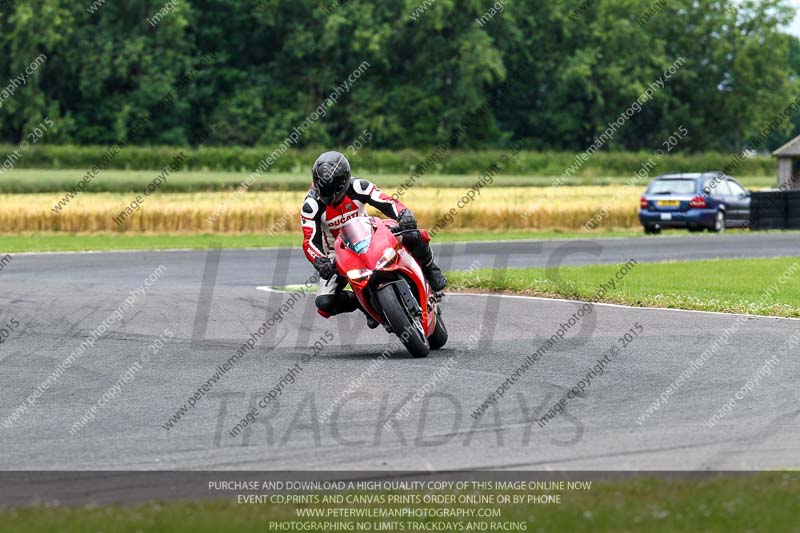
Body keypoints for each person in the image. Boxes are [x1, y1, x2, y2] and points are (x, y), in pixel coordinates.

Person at [300, 151, 446, 325]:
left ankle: (431, 268)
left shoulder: (359, 186)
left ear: (344, 181)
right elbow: (309, 240)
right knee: (324, 303)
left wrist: (404, 214)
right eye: (324, 190)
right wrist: (320, 261)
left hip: (370, 236)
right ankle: (363, 303)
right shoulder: (311, 206)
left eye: (334, 191)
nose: (329, 197)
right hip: (337, 255)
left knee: (413, 235)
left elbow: (387, 201)